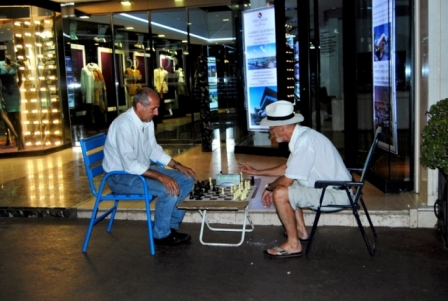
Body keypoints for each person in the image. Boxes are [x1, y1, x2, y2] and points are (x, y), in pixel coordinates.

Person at [238, 100, 351, 258]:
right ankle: (300, 231)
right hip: (331, 188)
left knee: (281, 193)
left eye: (272, 128)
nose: (271, 133)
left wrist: (269, 188)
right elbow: (288, 168)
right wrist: (258, 171)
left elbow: (286, 181)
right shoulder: (303, 136)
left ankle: (293, 244)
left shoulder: (305, 142)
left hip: (336, 194)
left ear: (282, 127)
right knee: (292, 185)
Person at [102, 87, 196, 246]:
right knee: (169, 189)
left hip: (139, 171)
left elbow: (153, 150)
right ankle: (161, 235)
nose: (157, 113)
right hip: (119, 177)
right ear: (140, 106)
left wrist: (177, 165)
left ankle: (170, 227)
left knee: (187, 179)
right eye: (154, 108)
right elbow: (130, 164)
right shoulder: (123, 125)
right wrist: (161, 177)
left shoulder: (147, 121)